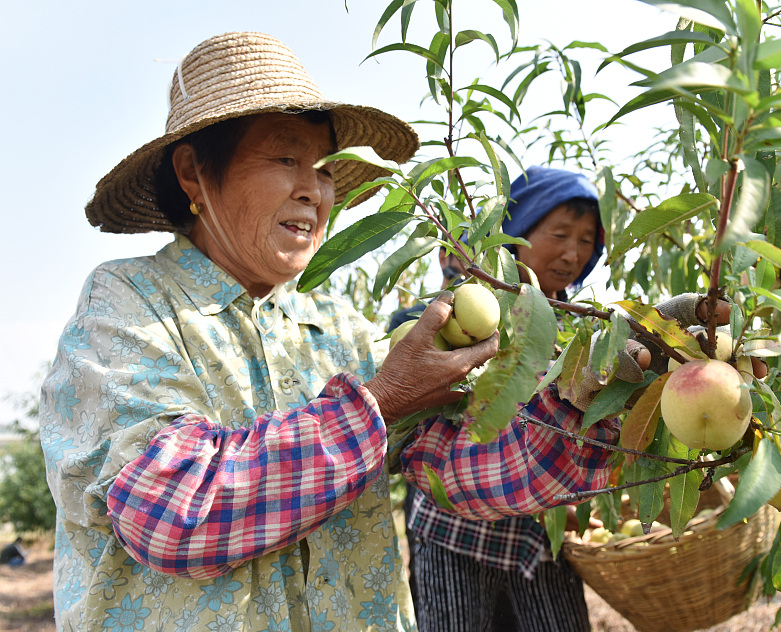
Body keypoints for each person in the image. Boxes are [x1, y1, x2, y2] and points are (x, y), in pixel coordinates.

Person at [39, 32, 623, 632]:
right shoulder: (128, 307)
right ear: (193, 173)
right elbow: (171, 512)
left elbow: (464, 472)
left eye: (323, 170)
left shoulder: (338, 328)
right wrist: (381, 402)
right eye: (285, 160)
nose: (313, 190)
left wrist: (590, 401)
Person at [401, 166, 734, 632]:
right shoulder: (464, 318)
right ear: (516, 234)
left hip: (543, 542)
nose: (573, 253)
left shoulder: (584, 329)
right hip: (455, 535)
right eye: (559, 234)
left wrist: (653, 350)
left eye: (586, 241)